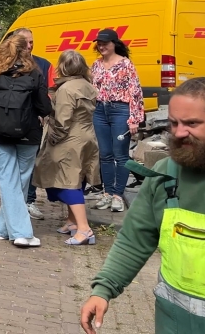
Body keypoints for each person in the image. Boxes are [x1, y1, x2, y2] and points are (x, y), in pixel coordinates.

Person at [80, 77, 205, 333]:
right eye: (174, 123)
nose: (180, 133)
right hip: (173, 323)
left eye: (192, 123)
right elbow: (135, 239)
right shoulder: (165, 174)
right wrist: (103, 290)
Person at [0, 34, 52, 248]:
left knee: (9, 182)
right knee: (20, 181)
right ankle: (22, 232)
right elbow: (45, 106)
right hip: (28, 134)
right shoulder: (35, 73)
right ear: (24, 51)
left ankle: (2, 229)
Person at [33, 50, 101, 246]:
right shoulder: (88, 86)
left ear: (62, 66)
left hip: (69, 140)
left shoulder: (66, 89)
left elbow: (63, 121)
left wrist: (52, 139)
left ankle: (84, 229)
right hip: (87, 137)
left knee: (65, 182)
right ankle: (72, 222)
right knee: (77, 179)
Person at [91, 28, 144, 213]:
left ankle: (118, 195)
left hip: (120, 110)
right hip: (100, 110)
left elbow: (135, 92)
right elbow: (91, 89)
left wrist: (134, 118)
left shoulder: (126, 64)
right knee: (105, 154)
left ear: (114, 44)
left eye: (105, 43)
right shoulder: (96, 65)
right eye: (99, 43)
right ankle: (107, 193)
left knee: (120, 154)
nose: (101, 46)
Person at [11, 28, 57, 221]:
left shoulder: (44, 65)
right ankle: (13, 201)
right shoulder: (5, 64)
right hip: (8, 121)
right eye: (26, 42)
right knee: (10, 164)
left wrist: (44, 112)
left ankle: (29, 201)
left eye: (32, 42)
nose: (30, 45)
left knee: (29, 164)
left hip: (33, 123)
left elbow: (52, 91)